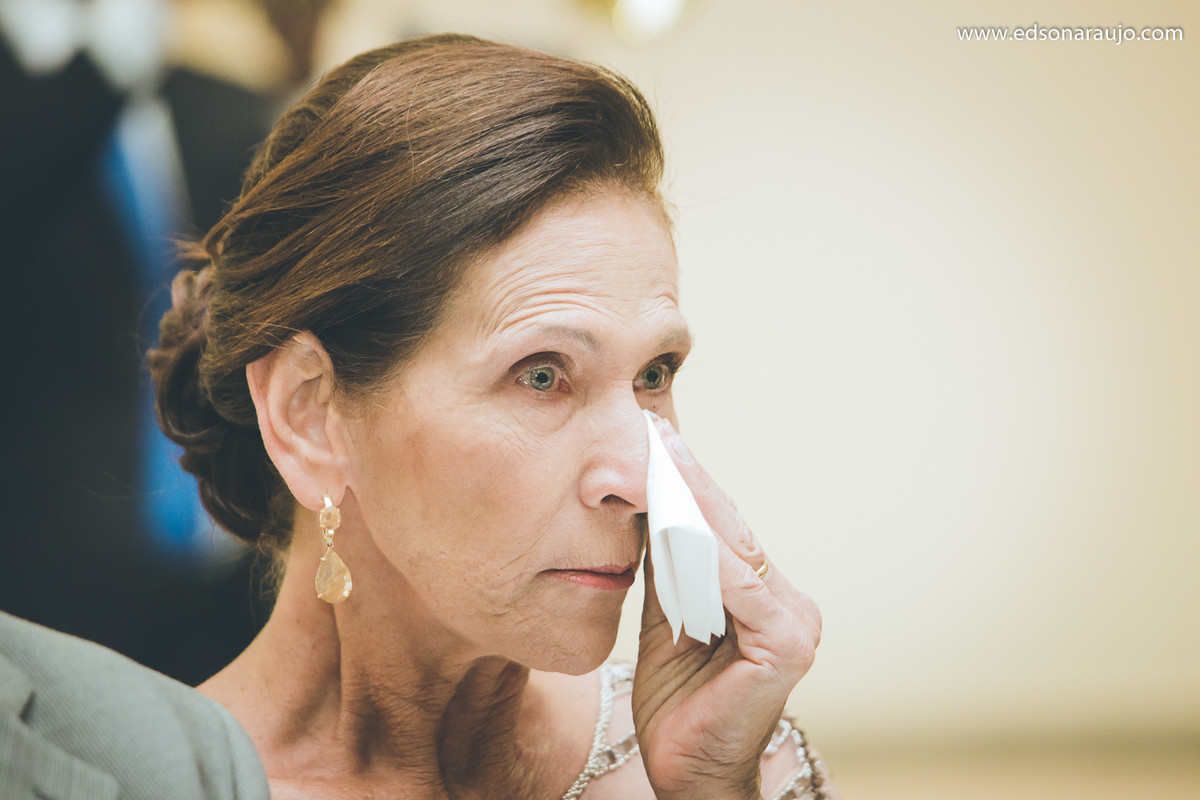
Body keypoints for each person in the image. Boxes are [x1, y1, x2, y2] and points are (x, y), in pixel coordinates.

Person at [150, 33, 834, 800]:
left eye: (653, 374)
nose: (641, 478)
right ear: (309, 414)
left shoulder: (731, 754)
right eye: (541, 375)